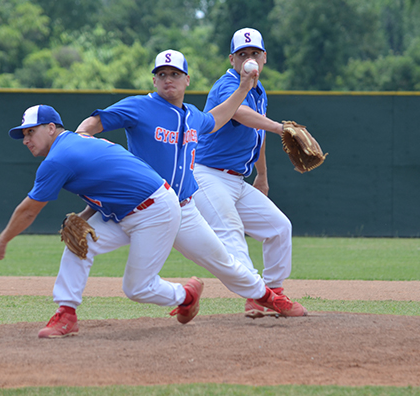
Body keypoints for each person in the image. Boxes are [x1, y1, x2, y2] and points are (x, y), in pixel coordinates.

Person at [75, 49, 307, 319]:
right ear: (154, 80)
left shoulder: (195, 115)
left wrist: (245, 88)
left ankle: (268, 296)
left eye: (175, 74)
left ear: (187, 80)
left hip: (187, 205)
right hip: (148, 204)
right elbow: (92, 125)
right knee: (81, 246)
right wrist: (82, 137)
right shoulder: (141, 106)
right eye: (162, 74)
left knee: (232, 256)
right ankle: (66, 310)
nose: (168, 79)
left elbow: (220, 117)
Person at [0, 104, 205, 338]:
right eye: (24, 134)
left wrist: (3, 240)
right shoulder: (77, 142)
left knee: (137, 288)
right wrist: (84, 216)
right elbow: (109, 183)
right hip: (126, 211)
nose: (26, 140)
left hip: (155, 211)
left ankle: (186, 296)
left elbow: (28, 211)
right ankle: (66, 314)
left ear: (51, 128)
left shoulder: (58, 158)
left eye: (31, 132)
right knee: (78, 242)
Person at [193, 27, 298, 318]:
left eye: (254, 53)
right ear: (232, 60)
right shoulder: (228, 85)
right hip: (207, 175)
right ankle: (259, 295)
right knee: (231, 234)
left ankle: (270, 292)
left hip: (236, 180)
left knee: (279, 228)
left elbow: (256, 133)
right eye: (242, 54)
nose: (248, 59)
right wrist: (279, 127)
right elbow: (240, 114)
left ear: (264, 58)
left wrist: (261, 176)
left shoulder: (259, 91)